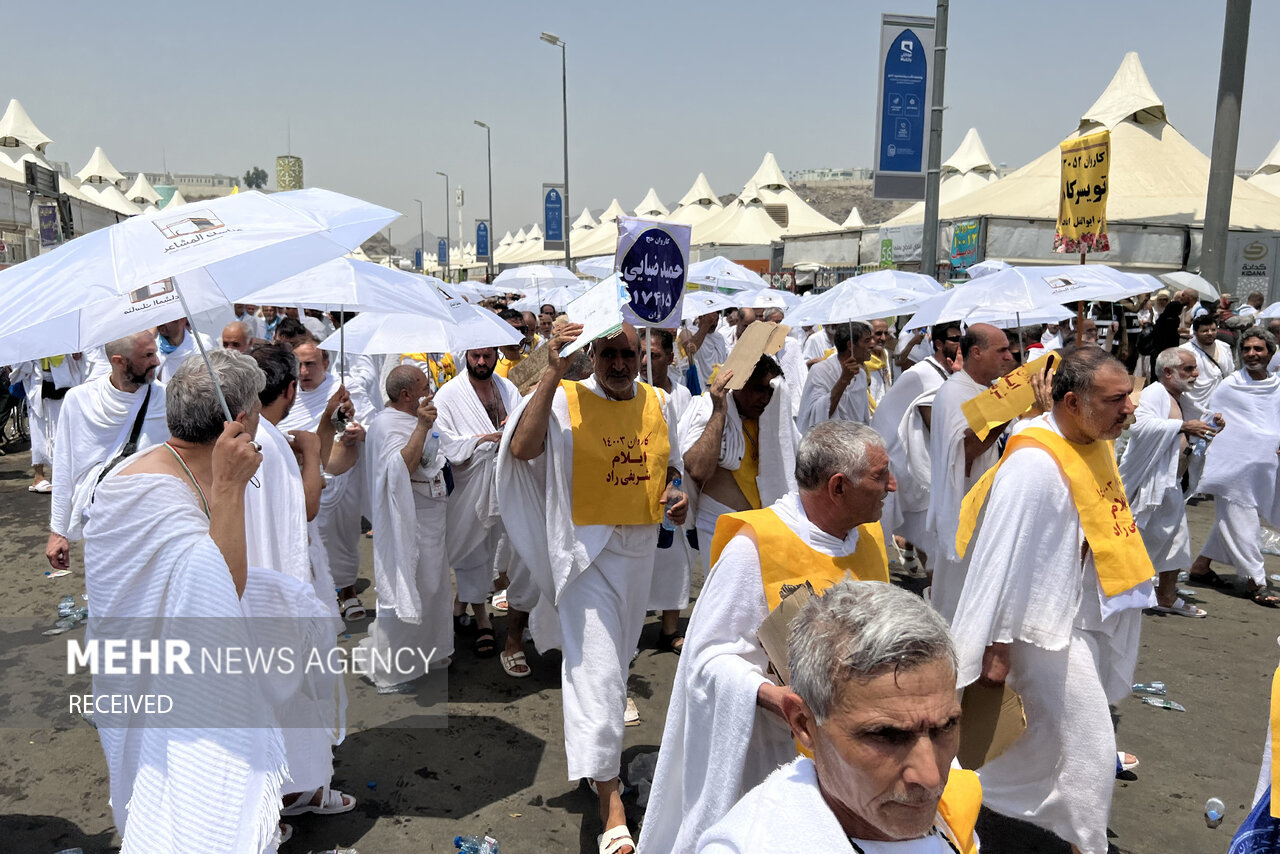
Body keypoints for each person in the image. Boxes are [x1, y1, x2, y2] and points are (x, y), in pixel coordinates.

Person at [84, 349, 326, 853]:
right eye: (257, 412)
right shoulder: (151, 490)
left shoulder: (156, 467)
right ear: (240, 421)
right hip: (156, 683)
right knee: (185, 808)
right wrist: (230, 489)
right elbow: (220, 589)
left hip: (165, 671)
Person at [640, 421, 893, 854]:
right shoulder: (755, 548)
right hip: (775, 754)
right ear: (837, 487)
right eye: (879, 476)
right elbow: (707, 657)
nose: (893, 486)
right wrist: (773, 697)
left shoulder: (867, 535)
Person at [949, 346, 1155, 854]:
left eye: (1128, 395)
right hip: (1035, 633)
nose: (1130, 407)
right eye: (1116, 399)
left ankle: (986, 821)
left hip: (1072, 620)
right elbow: (1001, 560)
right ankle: (1079, 842)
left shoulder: (1086, 436)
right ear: (1070, 403)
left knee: (1032, 750)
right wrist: (994, 652)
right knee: (1089, 749)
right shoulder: (1034, 464)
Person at [499, 322, 686, 854]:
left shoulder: (659, 401)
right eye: (610, 355)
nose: (621, 365)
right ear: (594, 356)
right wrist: (554, 368)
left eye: (630, 354)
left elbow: (665, 467)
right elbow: (522, 449)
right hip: (584, 559)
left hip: (638, 558)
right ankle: (611, 806)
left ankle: (595, 763)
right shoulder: (566, 400)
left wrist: (676, 494)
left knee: (612, 667)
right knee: (600, 674)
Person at [694, 580, 981, 854]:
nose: (931, 778)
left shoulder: (952, 813)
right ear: (804, 724)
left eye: (946, 726)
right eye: (887, 736)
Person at [245, 344, 355, 819]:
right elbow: (305, 508)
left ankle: (283, 791)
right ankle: (301, 791)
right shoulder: (266, 441)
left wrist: (326, 423)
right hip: (282, 585)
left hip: (255, 582)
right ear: (290, 388)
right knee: (301, 689)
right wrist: (311, 452)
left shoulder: (248, 434)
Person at [361, 365, 454, 687]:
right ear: (406, 395)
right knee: (409, 584)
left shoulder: (408, 418)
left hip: (430, 514)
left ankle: (432, 649)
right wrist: (422, 428)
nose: (429, 392)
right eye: (424, 388)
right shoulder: (387, 425)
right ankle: (394, 667)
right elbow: (402, 467)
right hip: (408, 521)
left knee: (434, 585)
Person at [46, 332, 167, 571]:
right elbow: (63, 467)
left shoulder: (166, 398)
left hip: (154, 524)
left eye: (155, 353)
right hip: (100, 524)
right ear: (119, 361)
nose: (157, 361)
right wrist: (58, 532)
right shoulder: (78, 400)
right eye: (148, 355)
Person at [926, 322, 1021, 621]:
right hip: (966, 507)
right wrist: (1006, 409)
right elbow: (964, 451)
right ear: (976, 353)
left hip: (994, 504)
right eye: (1002, 349)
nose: (1010, 356)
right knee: (958, 599)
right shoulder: (955, 392)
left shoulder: (989, 390)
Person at [433, 347, 521, 662]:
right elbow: (442, 443)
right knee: (471, 551)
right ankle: (482, 617)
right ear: (466, 356)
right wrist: (482, 441)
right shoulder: (448, 395)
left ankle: (462, 605)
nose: (481, 362)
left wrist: (511, 426)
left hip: (501, 480)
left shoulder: (508, 388)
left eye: (486, 356)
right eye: (475, 357)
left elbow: (520, 427)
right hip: (469, 485)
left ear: (495, 356)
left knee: (491, 549)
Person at [1118, 348, 1216, 618]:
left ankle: (1166, 595)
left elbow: (1192, 427)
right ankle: (1128, 594)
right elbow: (1139, 426)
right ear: (1168, 372)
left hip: (1170, 482)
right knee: (1144, 541)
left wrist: (1210, 424)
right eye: (1189, 369)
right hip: (1152, 484)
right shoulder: (1153, 394)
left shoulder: (1181, 398)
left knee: (1176, 541)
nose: (1195, 374)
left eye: (1195, 368)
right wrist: (1182, 427)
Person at [1188, 328, 1280, 606]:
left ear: (1270, 352)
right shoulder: (1230, 385)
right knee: (1242, 519)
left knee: (1230, 519)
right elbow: (1215, 422)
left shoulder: (1277, 385)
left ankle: (1200, 567)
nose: (1252, 354)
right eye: (1247, 349)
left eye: (1258, 349)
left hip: (1265, 467)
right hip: (1233, 467)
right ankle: (1257, 581)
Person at [680, 355, 796, 574]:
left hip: (764, 529)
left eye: (770, 392)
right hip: (719, 527)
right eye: (758, 389)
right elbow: (697, 469)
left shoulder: (773, 419)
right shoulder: (708, 409)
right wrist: (719, 411)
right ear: (739, 386)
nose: (765, 398)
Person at [278, 339, 368, 620]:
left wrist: (358, 430)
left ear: (326, 364)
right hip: (297, 478)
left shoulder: (343, 391)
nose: (303, 371)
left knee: (341, 537)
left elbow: (366, 423)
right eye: (299, 365)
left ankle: (349, 591)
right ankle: (315, 596)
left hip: (337, 477)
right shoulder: (284, 393)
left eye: (310, 364)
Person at [871, 323, 962, 570]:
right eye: (954, 339)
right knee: (878, 538)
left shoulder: (946, 372)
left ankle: (931, 587)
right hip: (894, 460)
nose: (960, 343)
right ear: (939, 344)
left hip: (911, 462)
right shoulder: (927, 374)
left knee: (927, 536)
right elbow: (942, 430)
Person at [640, 329, 695, 652]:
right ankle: (629, 627)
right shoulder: (630, 394)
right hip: (632, 486)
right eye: (642, 354)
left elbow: (683, 446)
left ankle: (669, 629)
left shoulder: (683, 396)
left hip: (672, 487)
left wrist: (673, 483)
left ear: (670, 358)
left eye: (655, 355)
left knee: (673, 558)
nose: (646, 361)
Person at [13, 352, 86, 493]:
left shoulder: (63, 338)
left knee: (62, 429)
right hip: (38, 382)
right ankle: (38, 476)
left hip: (63, 380)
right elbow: (19, 367)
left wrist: (76, 356)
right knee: (38, 430)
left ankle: (58, 475)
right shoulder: (32, 338)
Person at [797, 321, 874, 432]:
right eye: (867, 341)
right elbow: (816, 413)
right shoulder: (820, 371)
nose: (872, 345)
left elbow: (863, 418)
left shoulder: (861, 375)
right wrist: (843, 380)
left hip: (855, 443)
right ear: (850, 345)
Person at [1180, 314, 1234, 418]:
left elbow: (1230, 374)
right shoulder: (1185, 351)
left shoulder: (1224, 347)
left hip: (1220, 403)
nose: (1210, 333)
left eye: (1213, 330)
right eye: (1205, 331)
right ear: (1195, 333)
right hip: (1193, 405)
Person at [155, 318, 211, 383]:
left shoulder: (201, 345)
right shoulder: (152, 349)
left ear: (182, 320)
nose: (160, 323)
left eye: (165, 318)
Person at [865, 317, 893, 408]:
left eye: (886, 333)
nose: (883, 338)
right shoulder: (863, 360)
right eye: (878, 333)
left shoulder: (885, 353)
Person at [495, 308, 531, 378]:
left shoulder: (530, 361)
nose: (519, 334)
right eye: (513, 330)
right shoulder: (490, 365)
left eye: (523, 329)